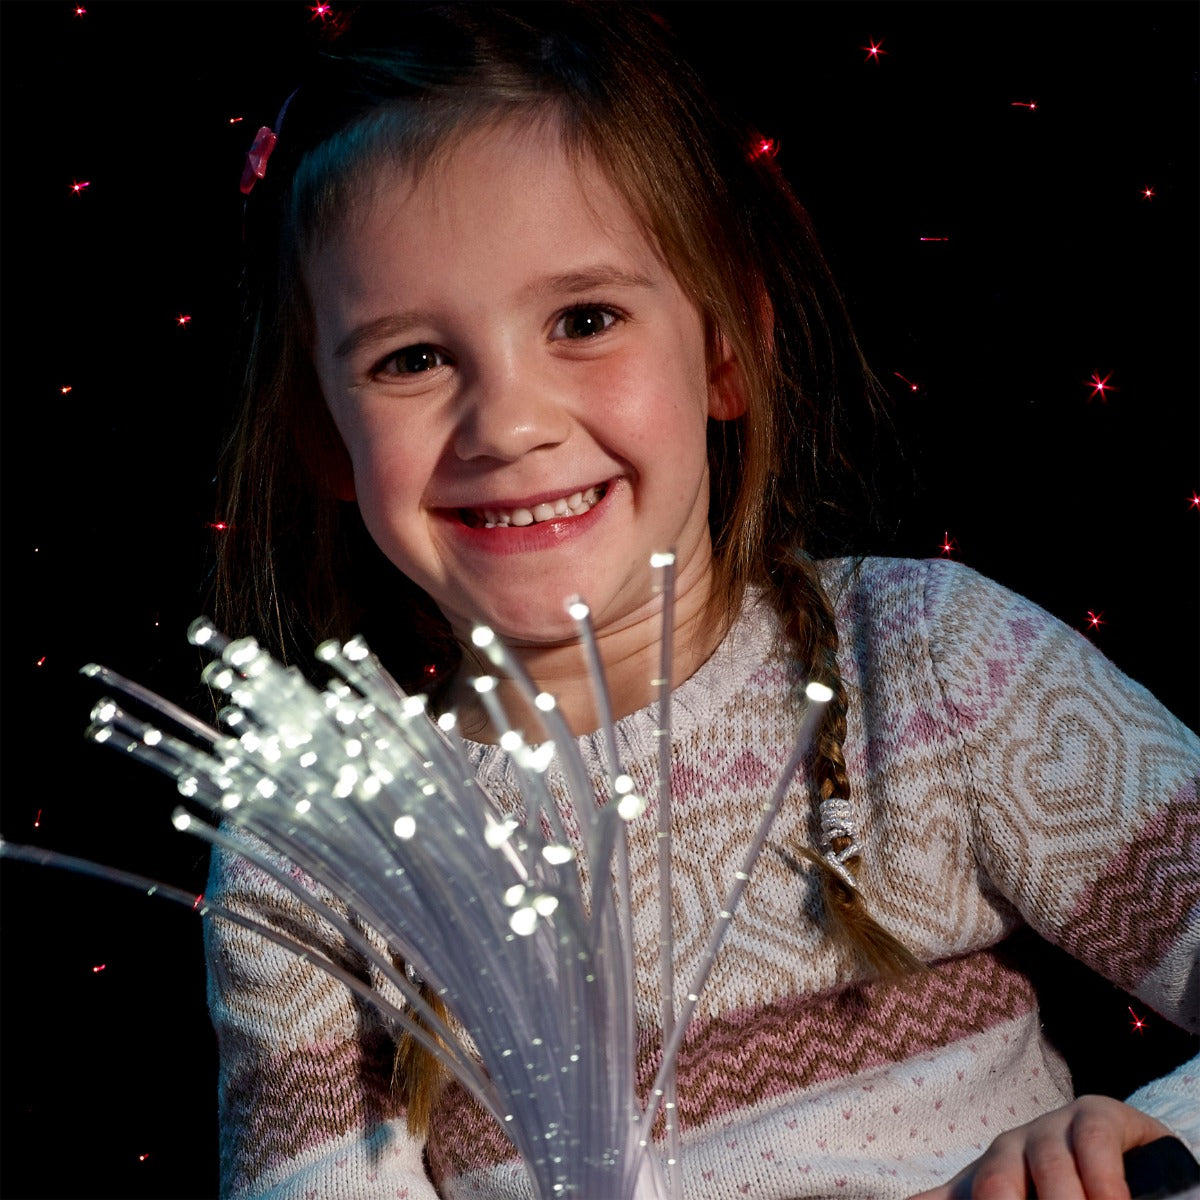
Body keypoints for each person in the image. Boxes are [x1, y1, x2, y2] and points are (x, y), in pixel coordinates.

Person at [205, 5, 1199, 1198]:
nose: (509, 424)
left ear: (724, 348)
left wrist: (1132, 1144)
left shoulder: (933, 667)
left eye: (585, 320)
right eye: (410, 359)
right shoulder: (315, 852)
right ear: (326, 436)